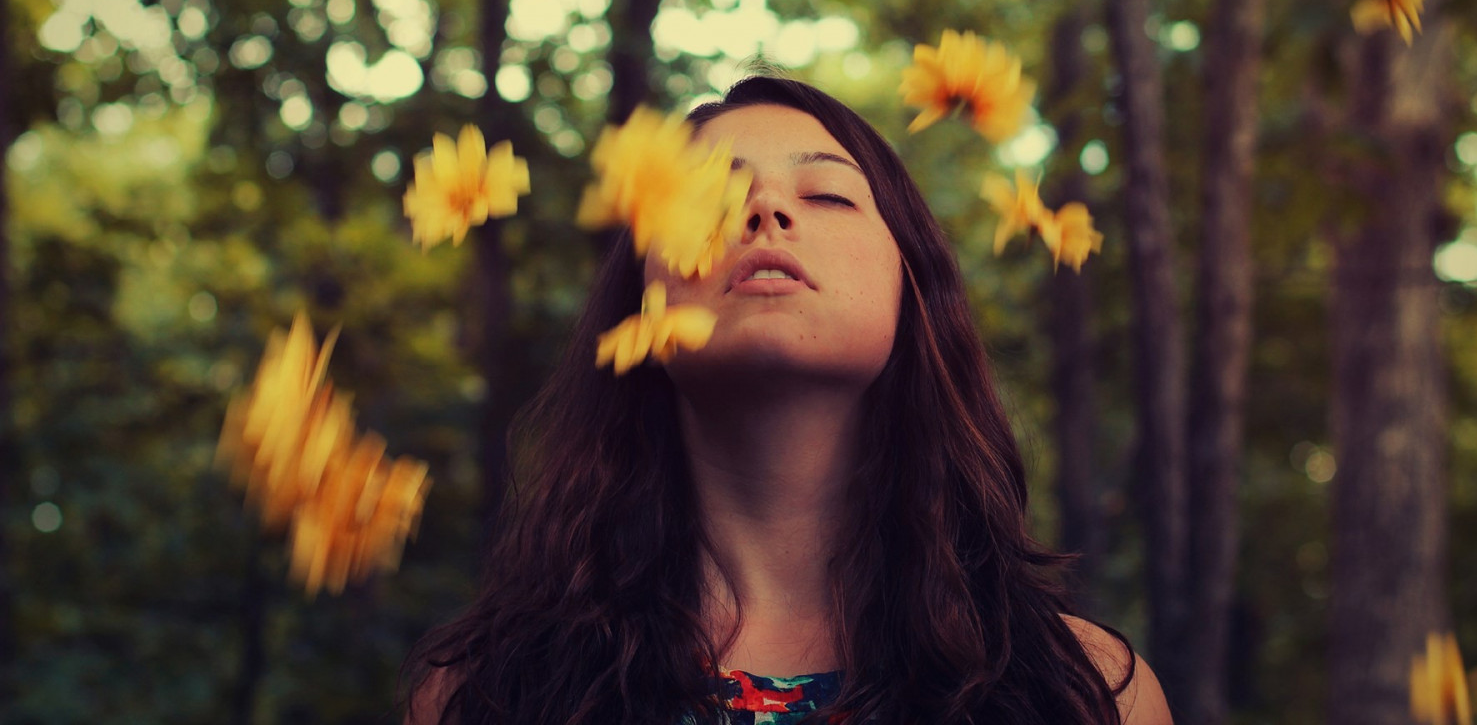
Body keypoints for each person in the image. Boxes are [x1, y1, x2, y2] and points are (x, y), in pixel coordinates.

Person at [402, 76, 1172, 725]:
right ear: (640, 293)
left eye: (830, 194)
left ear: (914, 286)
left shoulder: (1092, 693)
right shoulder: (477, 694)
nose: (765, 210)